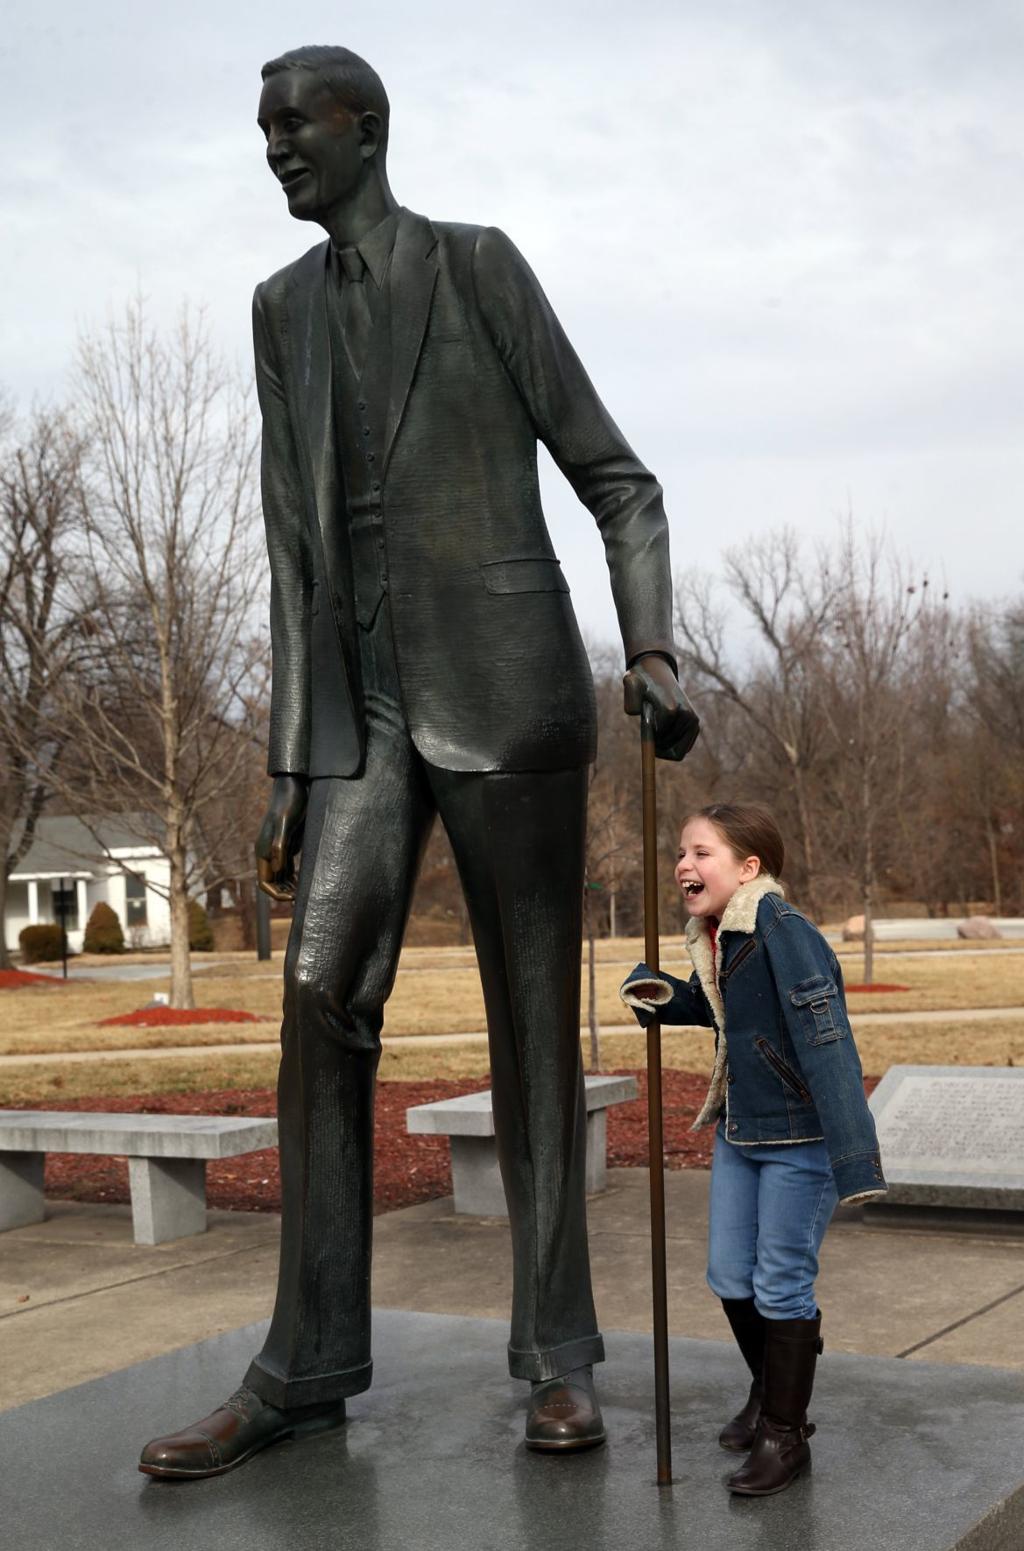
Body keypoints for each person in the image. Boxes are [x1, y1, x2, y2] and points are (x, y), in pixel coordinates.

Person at [138, 45, 699, 1480]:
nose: (272, 148)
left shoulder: (479, 267)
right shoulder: (281, 315)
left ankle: (559, 1357)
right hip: (364, 722)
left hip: (508, 698)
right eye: (259, 127)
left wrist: (650, 652)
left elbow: (617, 480)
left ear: (364, 128)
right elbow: (287, 544)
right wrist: (284, 763)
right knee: (320, 993)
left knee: (530, 1029)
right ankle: (307, 1360)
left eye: (292, 124)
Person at [620, 803, 886, 1496]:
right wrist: (665, 995)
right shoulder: (724, 935)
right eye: (681, 852)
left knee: (779, 1282)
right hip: (743, 1128)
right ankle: (770, 1388)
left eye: (702, 852)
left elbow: (826, 1039)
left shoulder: (783, 931)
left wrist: (854, 1155)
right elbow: (730, 1009)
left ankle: (784, 1432)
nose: (684, 863)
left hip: (799, 1137)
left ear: (749, 866)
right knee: (729, 1273)